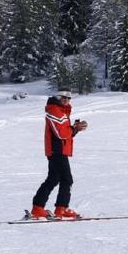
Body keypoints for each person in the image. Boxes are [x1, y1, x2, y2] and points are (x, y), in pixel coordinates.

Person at [30, 90, 88, 219]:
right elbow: (61, 133)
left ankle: (38, 208)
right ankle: (61, 208)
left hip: (58, 150)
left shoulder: (60, 111)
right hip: (57, 151)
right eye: (64, 97)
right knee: (66, 179)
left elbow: (65, 134)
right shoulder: (54, 110)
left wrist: (75, 129)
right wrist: (74, 128)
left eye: (69, 98)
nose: (67, 100)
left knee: (53, 179)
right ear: (57, 97)